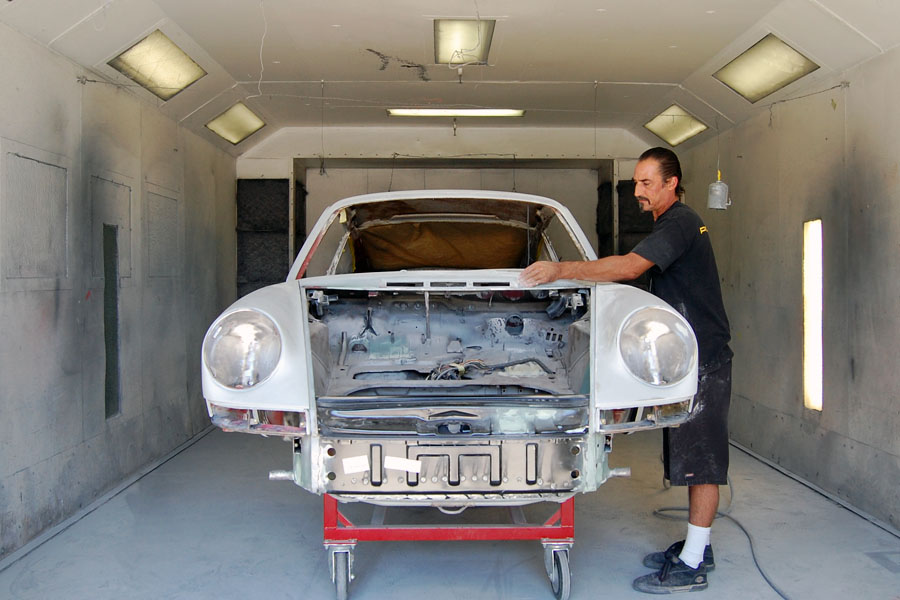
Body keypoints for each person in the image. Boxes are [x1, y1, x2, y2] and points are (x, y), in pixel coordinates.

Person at [519, 147, 732, 594]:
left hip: (704, 361)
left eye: (646, 183)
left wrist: (560, 271)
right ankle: (697, 546)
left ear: (672, 183)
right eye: (636, 182)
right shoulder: (670, 223)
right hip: (685, 361)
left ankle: (694, 562)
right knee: (688, 458)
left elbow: (631, 267)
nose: (637, 191)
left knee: (702, 461)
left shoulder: (680, 222)